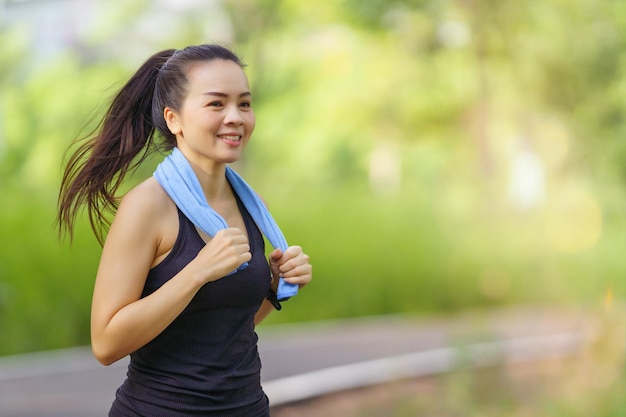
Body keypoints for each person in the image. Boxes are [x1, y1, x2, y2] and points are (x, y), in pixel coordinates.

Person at [56, 44, 313, 417]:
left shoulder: (253, 206)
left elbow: (221, 326)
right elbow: (106, 343)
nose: (235, 117)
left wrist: (273, 286)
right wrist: (196, 272)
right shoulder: (148, 207)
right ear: (174, 119)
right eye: (216, 104)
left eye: (244, 103)